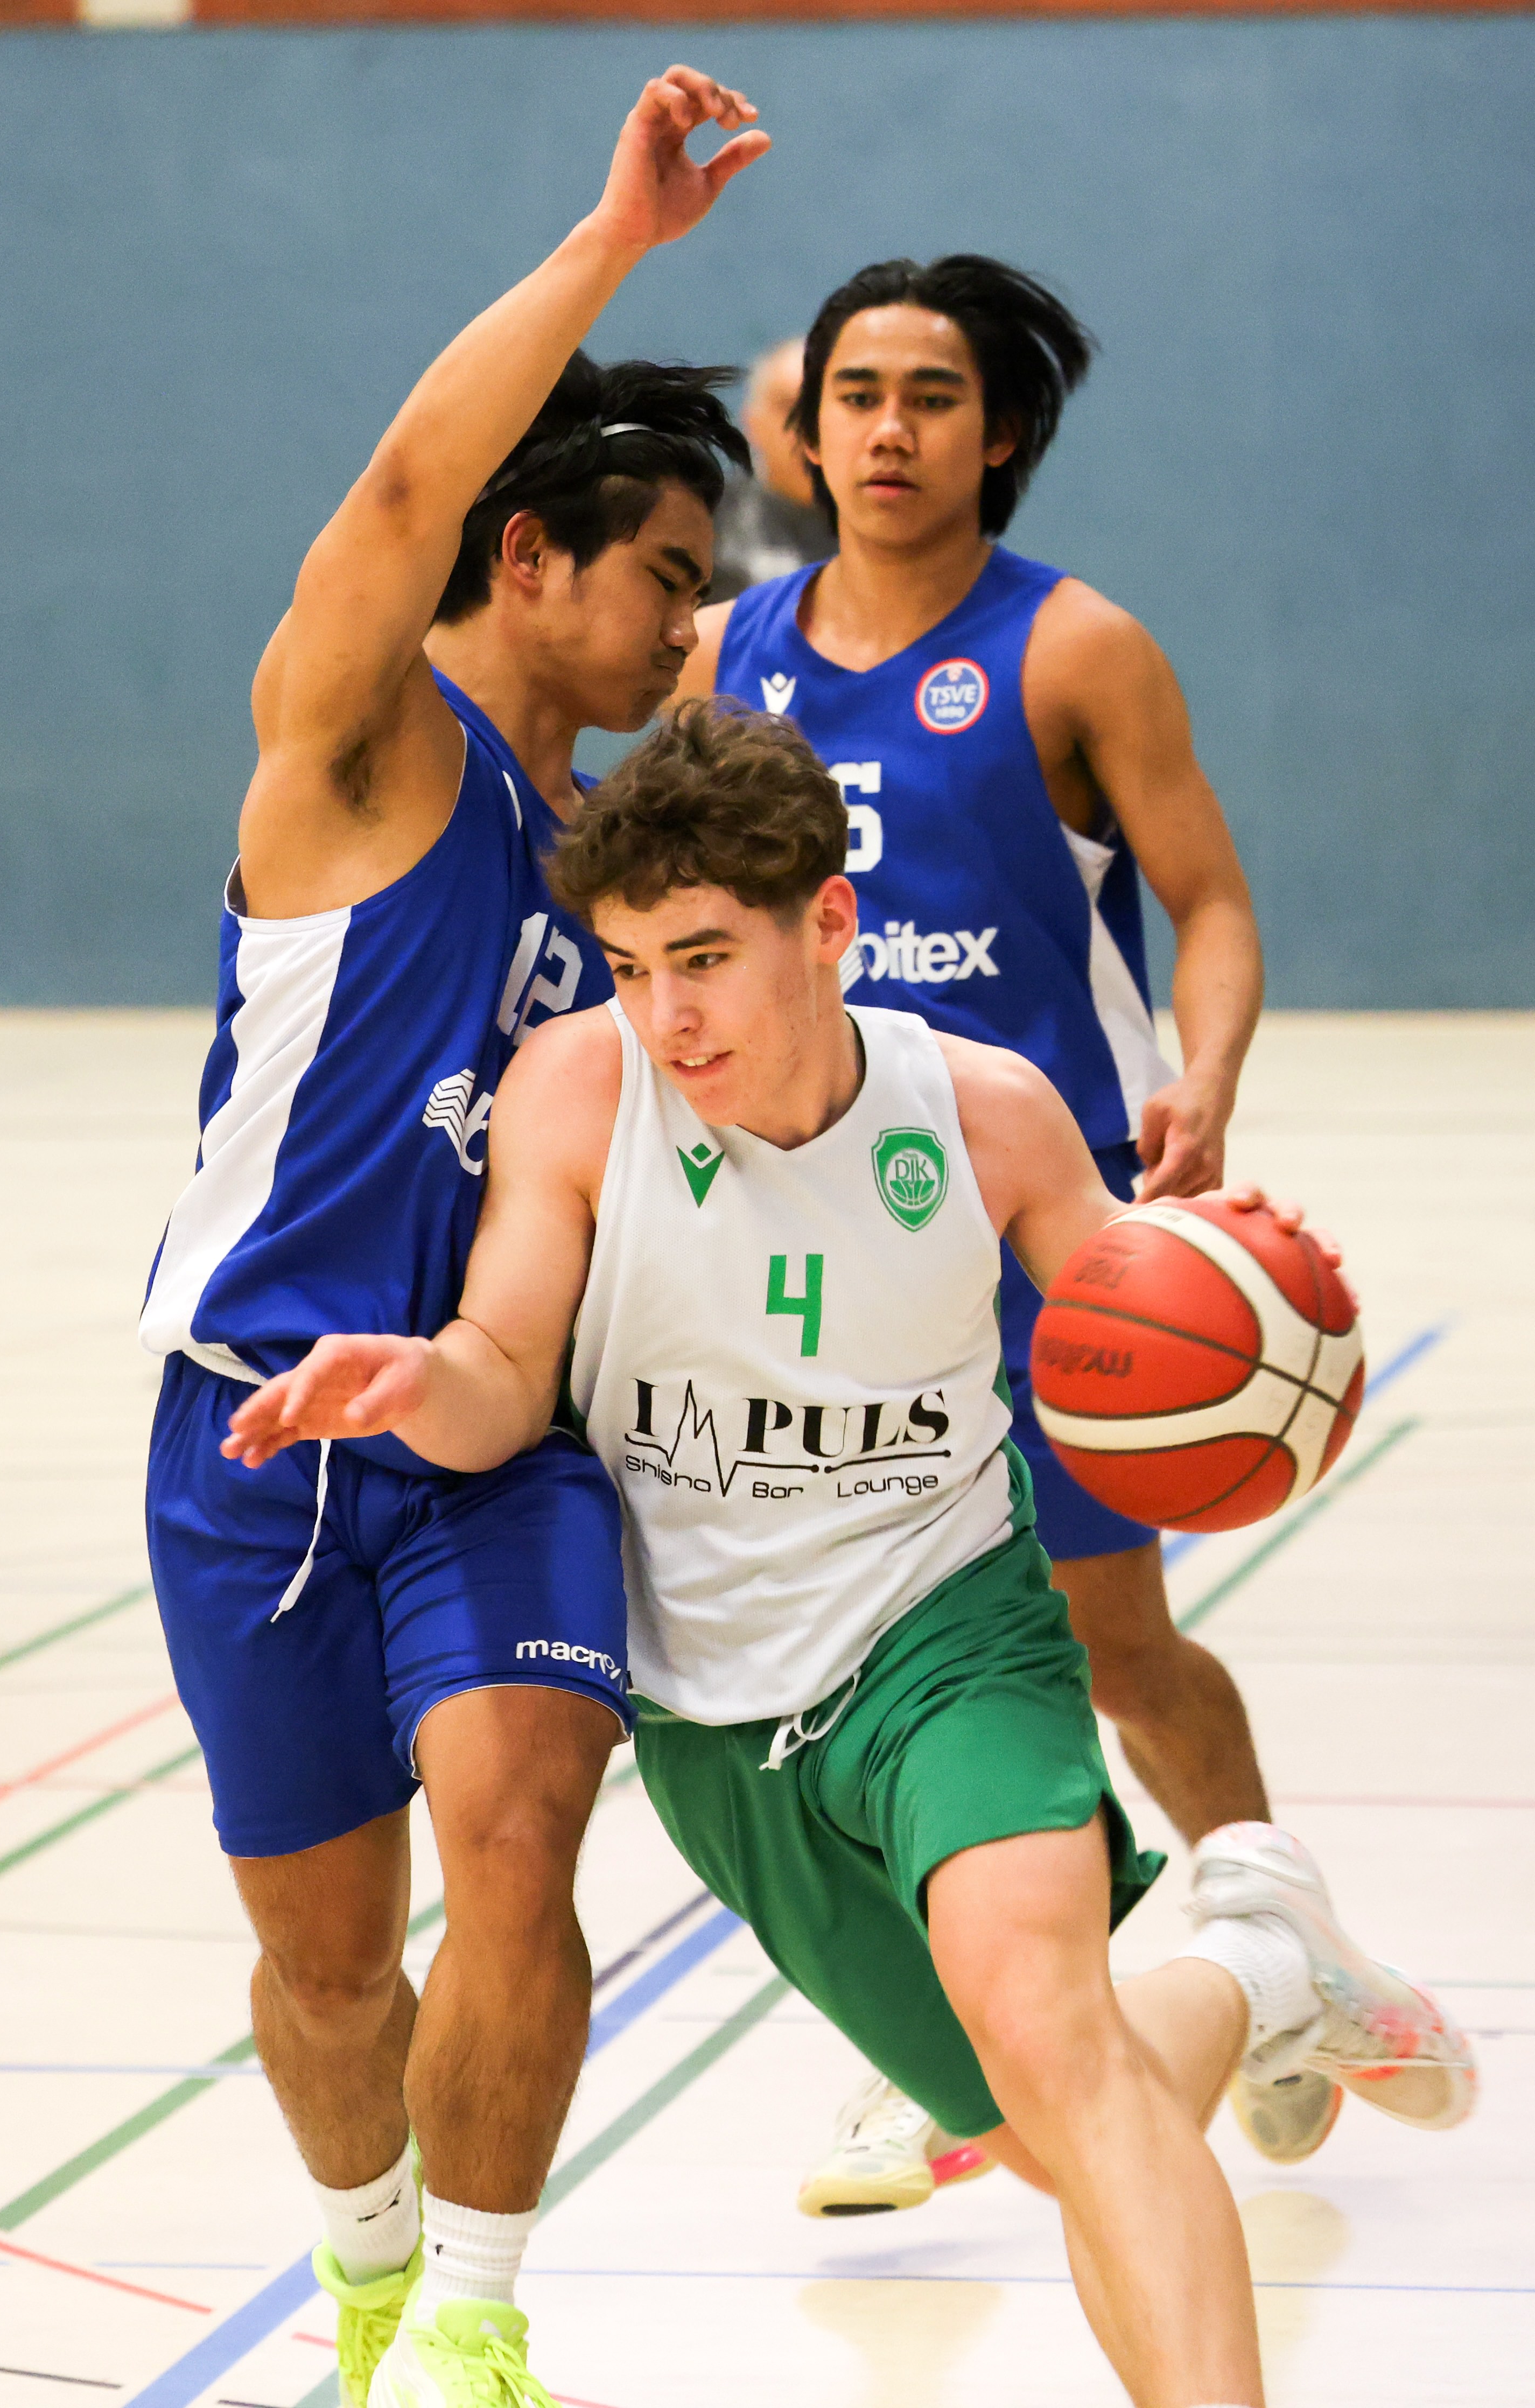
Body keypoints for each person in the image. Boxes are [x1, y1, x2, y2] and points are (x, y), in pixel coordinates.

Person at [222, 704, 1474, 2408]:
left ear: (827, 923)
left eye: (704, 959)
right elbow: (504, 1365)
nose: (666, 1013)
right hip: (720, 1722)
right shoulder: (580, 1090)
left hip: (946, 1635)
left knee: (1052, 2043)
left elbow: (1150, 1319)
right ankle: (1263, 1973)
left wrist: (1259, 1326)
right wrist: (413, 1385)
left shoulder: (986, 1115)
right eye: (630, 966)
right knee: (1050, 2128)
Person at [138, 68, 767, 2408]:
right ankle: (376, 2276)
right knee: (330, 1974)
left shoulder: (620, 864)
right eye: (667, 575)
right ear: (529, 561)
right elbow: (406, 483)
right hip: (256, 1441)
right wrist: (613, 248)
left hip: (501, 1441)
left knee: (517, 1840)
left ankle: (481, 2329)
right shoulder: (361, 742)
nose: (690, 624)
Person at [677, 253, 1324, 2203]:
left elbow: (1208, 901)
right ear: (801, 432)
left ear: (1002, 431)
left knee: (1112, 1641)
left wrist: (1204, 1076)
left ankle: (1266, 1929)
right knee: (861, 1650)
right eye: (854, 394)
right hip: (816, 1251)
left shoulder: (1072, 648)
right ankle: (950, 2037)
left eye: (929, 395)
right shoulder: (722, 657)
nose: (885, 428)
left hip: (1041, 1231)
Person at [706, 335, 835, 601]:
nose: (809, 427)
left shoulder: (901, 521)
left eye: (826, 406)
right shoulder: (705, 522)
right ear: (752, 423)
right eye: (789, 407)